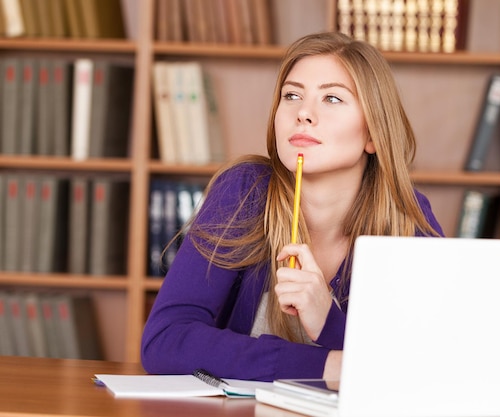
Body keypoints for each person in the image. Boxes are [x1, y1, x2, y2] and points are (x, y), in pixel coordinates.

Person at [141, 31, 444, 382]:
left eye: (332, 98)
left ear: (373, 133)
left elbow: (429, 364)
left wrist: (327, 322)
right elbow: (164, 340)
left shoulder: (408, 219)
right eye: (292, 95)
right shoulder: (245, 191)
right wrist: (326, 366)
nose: (303, 113)